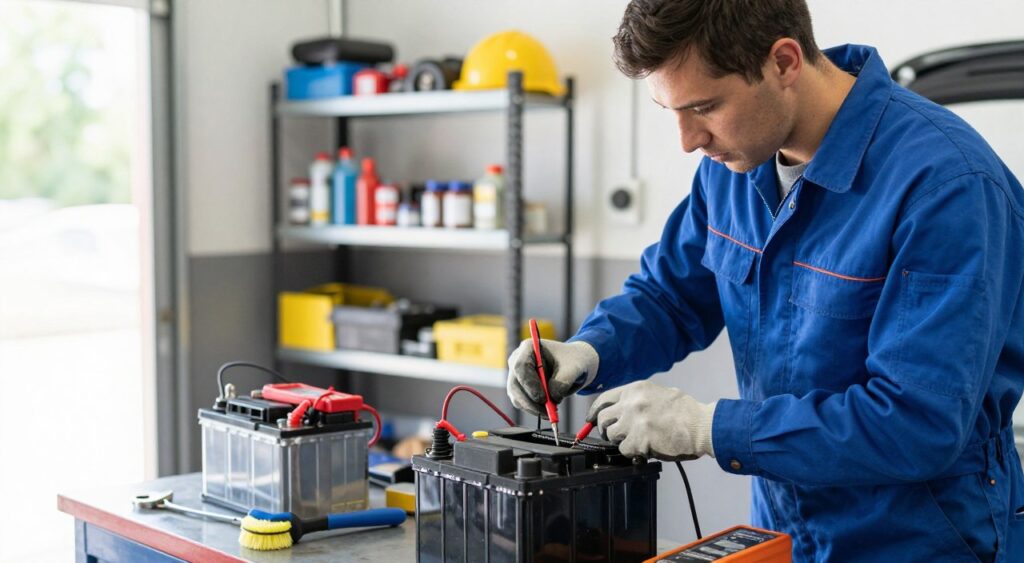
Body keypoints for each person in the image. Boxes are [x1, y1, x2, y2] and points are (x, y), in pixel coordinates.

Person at [506, 0, 1024, 561]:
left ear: (783, 62)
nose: (687, 140)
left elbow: (916, 423)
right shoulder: (733, 166)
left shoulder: (946, 187)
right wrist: (589, 349)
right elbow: (671, 294)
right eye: (670, 110)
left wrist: (709, 428)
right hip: (782, 532)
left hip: (918, 542)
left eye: (704, 106)